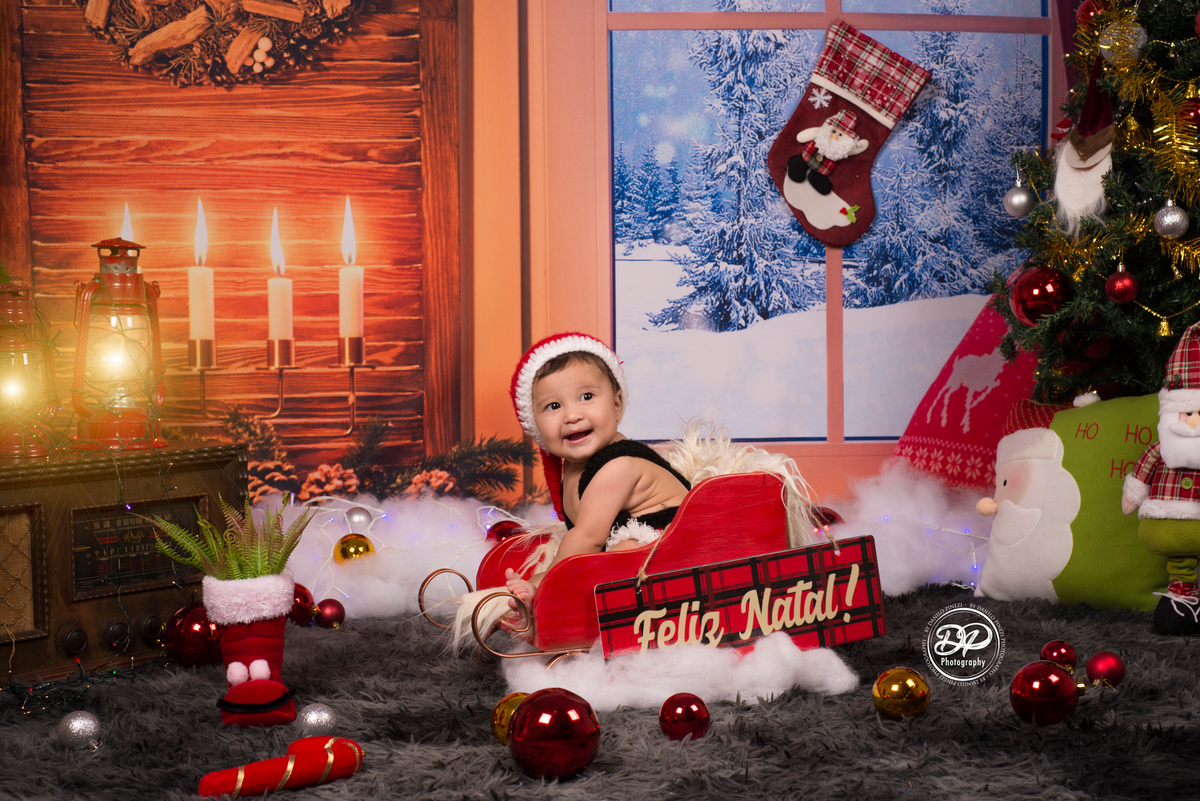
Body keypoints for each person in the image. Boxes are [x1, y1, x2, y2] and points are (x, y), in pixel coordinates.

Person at [504, 333, 692, 607]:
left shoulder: (616, 466)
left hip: (675, 542)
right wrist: (537, 579)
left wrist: (544, 583)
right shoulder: (572, 467)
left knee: (621, 557)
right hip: (630, 540)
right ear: (535, 427)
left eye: (587, 396)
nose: (572, 416)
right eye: (554, 406)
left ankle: (560, 605)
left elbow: (588, 539)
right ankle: (548, 606)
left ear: (616, 405)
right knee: (601, 560)